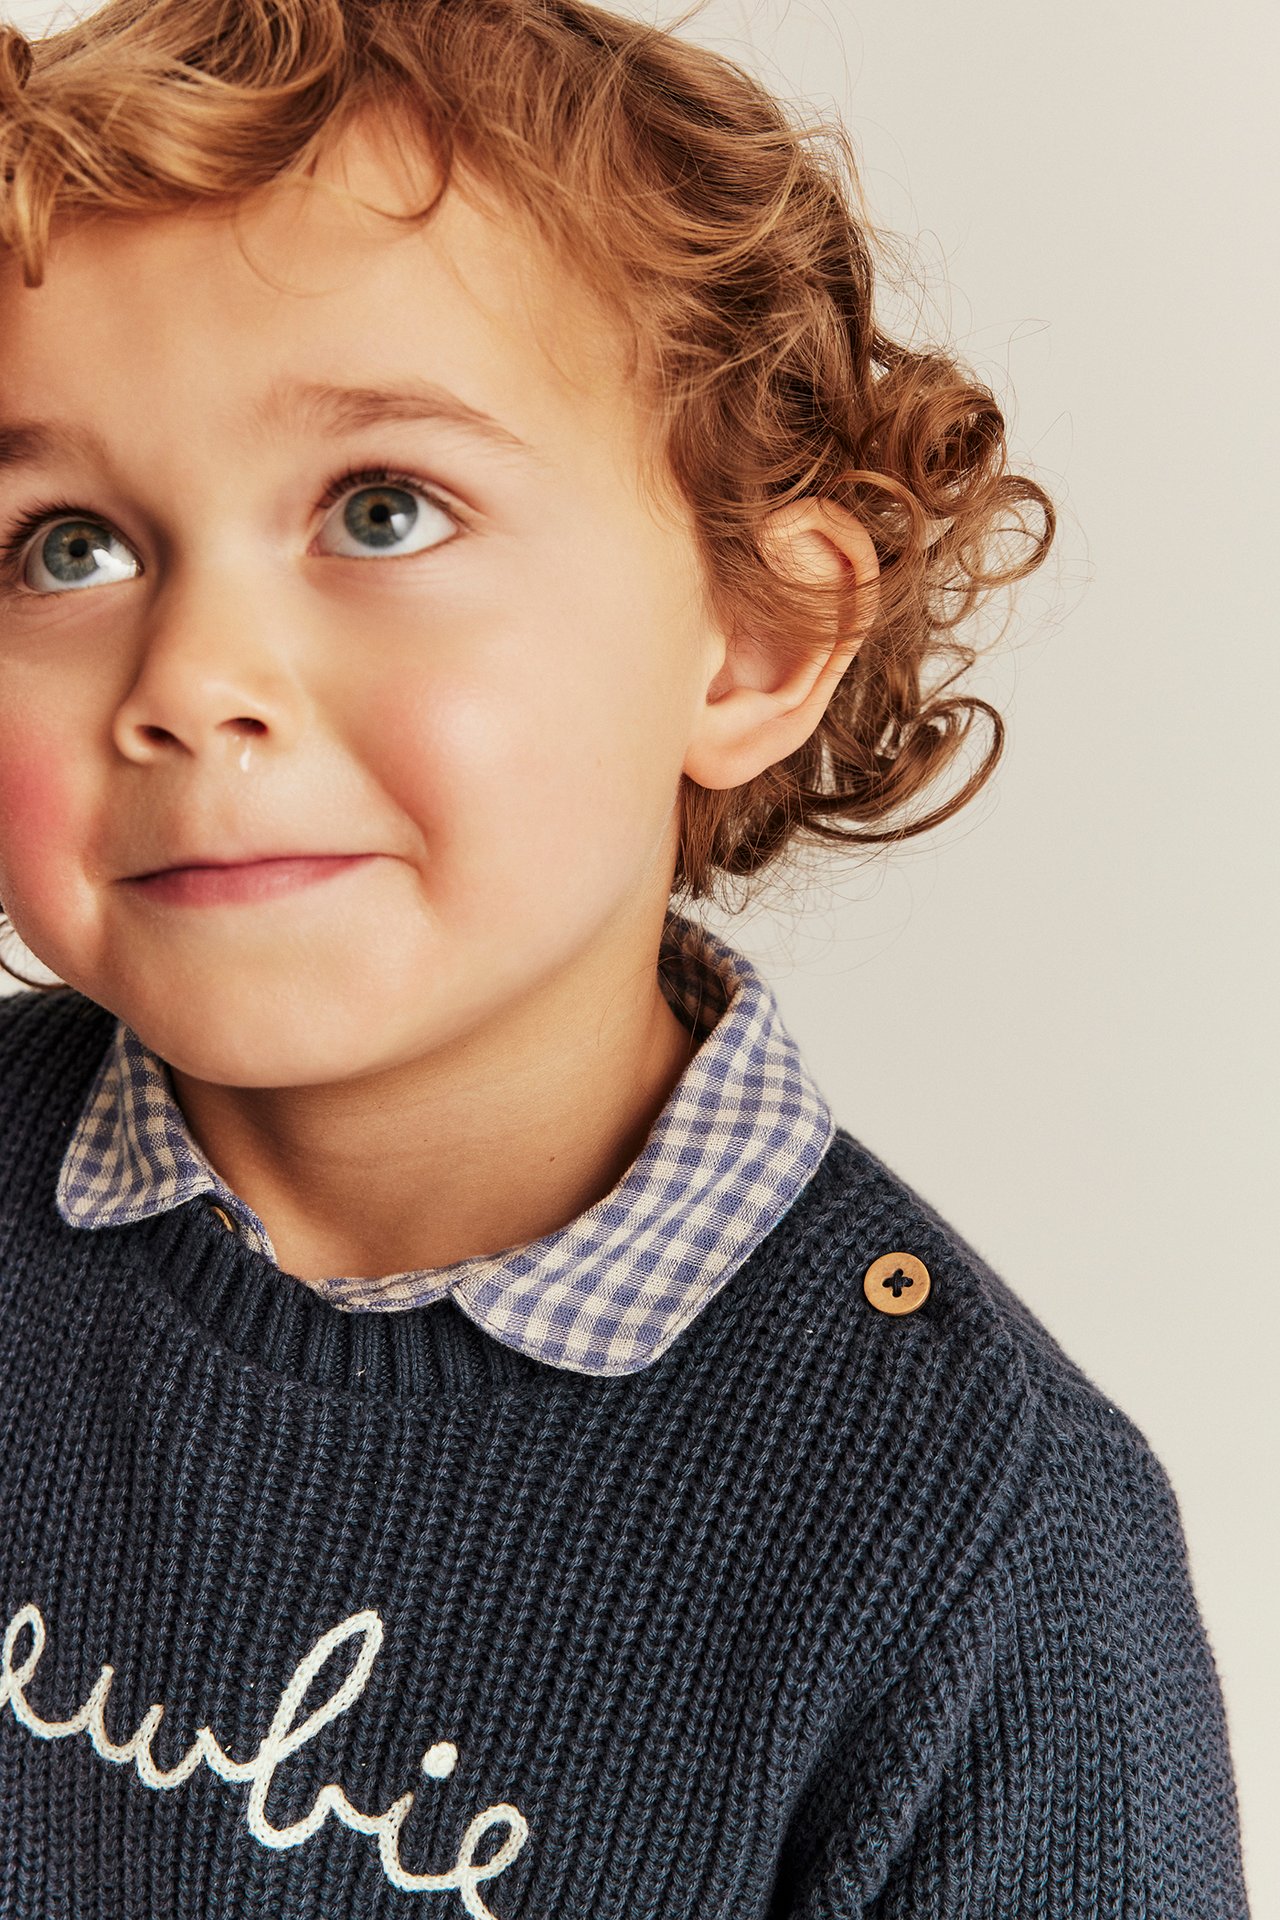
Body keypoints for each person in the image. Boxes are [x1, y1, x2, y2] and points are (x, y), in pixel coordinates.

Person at [0, 0, 1250, 1913]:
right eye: (66, 547)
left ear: (751, 636)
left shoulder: (981, 1541)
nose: (190, 690)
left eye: (384, 510)